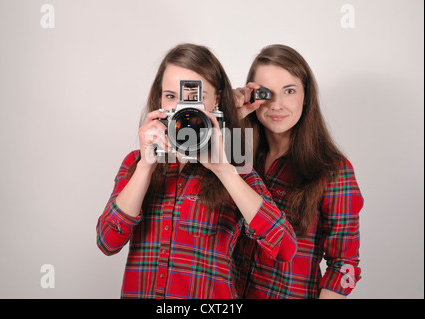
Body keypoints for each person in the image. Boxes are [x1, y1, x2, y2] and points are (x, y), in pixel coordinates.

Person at [96, 43, 297, 299]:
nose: (183, 109)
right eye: (171, 96)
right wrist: (146, 167)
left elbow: (284, 249)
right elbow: (107, 242)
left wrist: (224, 171)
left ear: (216, 100)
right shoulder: (136, 163)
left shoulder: (235, 165)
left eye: (194, 98)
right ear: (159, 100)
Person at [233, 44, 364, 299]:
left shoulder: (333, 169)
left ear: (306, 96)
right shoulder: (235, 158)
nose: (277, 104)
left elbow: (344, 265)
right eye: (265, 93)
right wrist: (233, 115)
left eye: (289, 91)